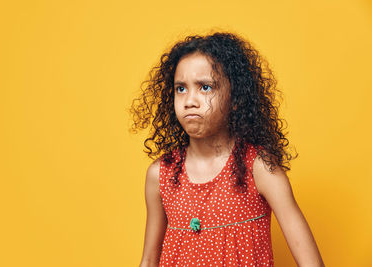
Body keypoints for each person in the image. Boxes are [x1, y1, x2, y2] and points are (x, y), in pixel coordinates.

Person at [130, 31, 325, 266]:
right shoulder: (160, 174)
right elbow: (149, 260)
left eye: (205, 87)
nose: (190, 100)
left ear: (235, 98)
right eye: (181, 88)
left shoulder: (260, 168)